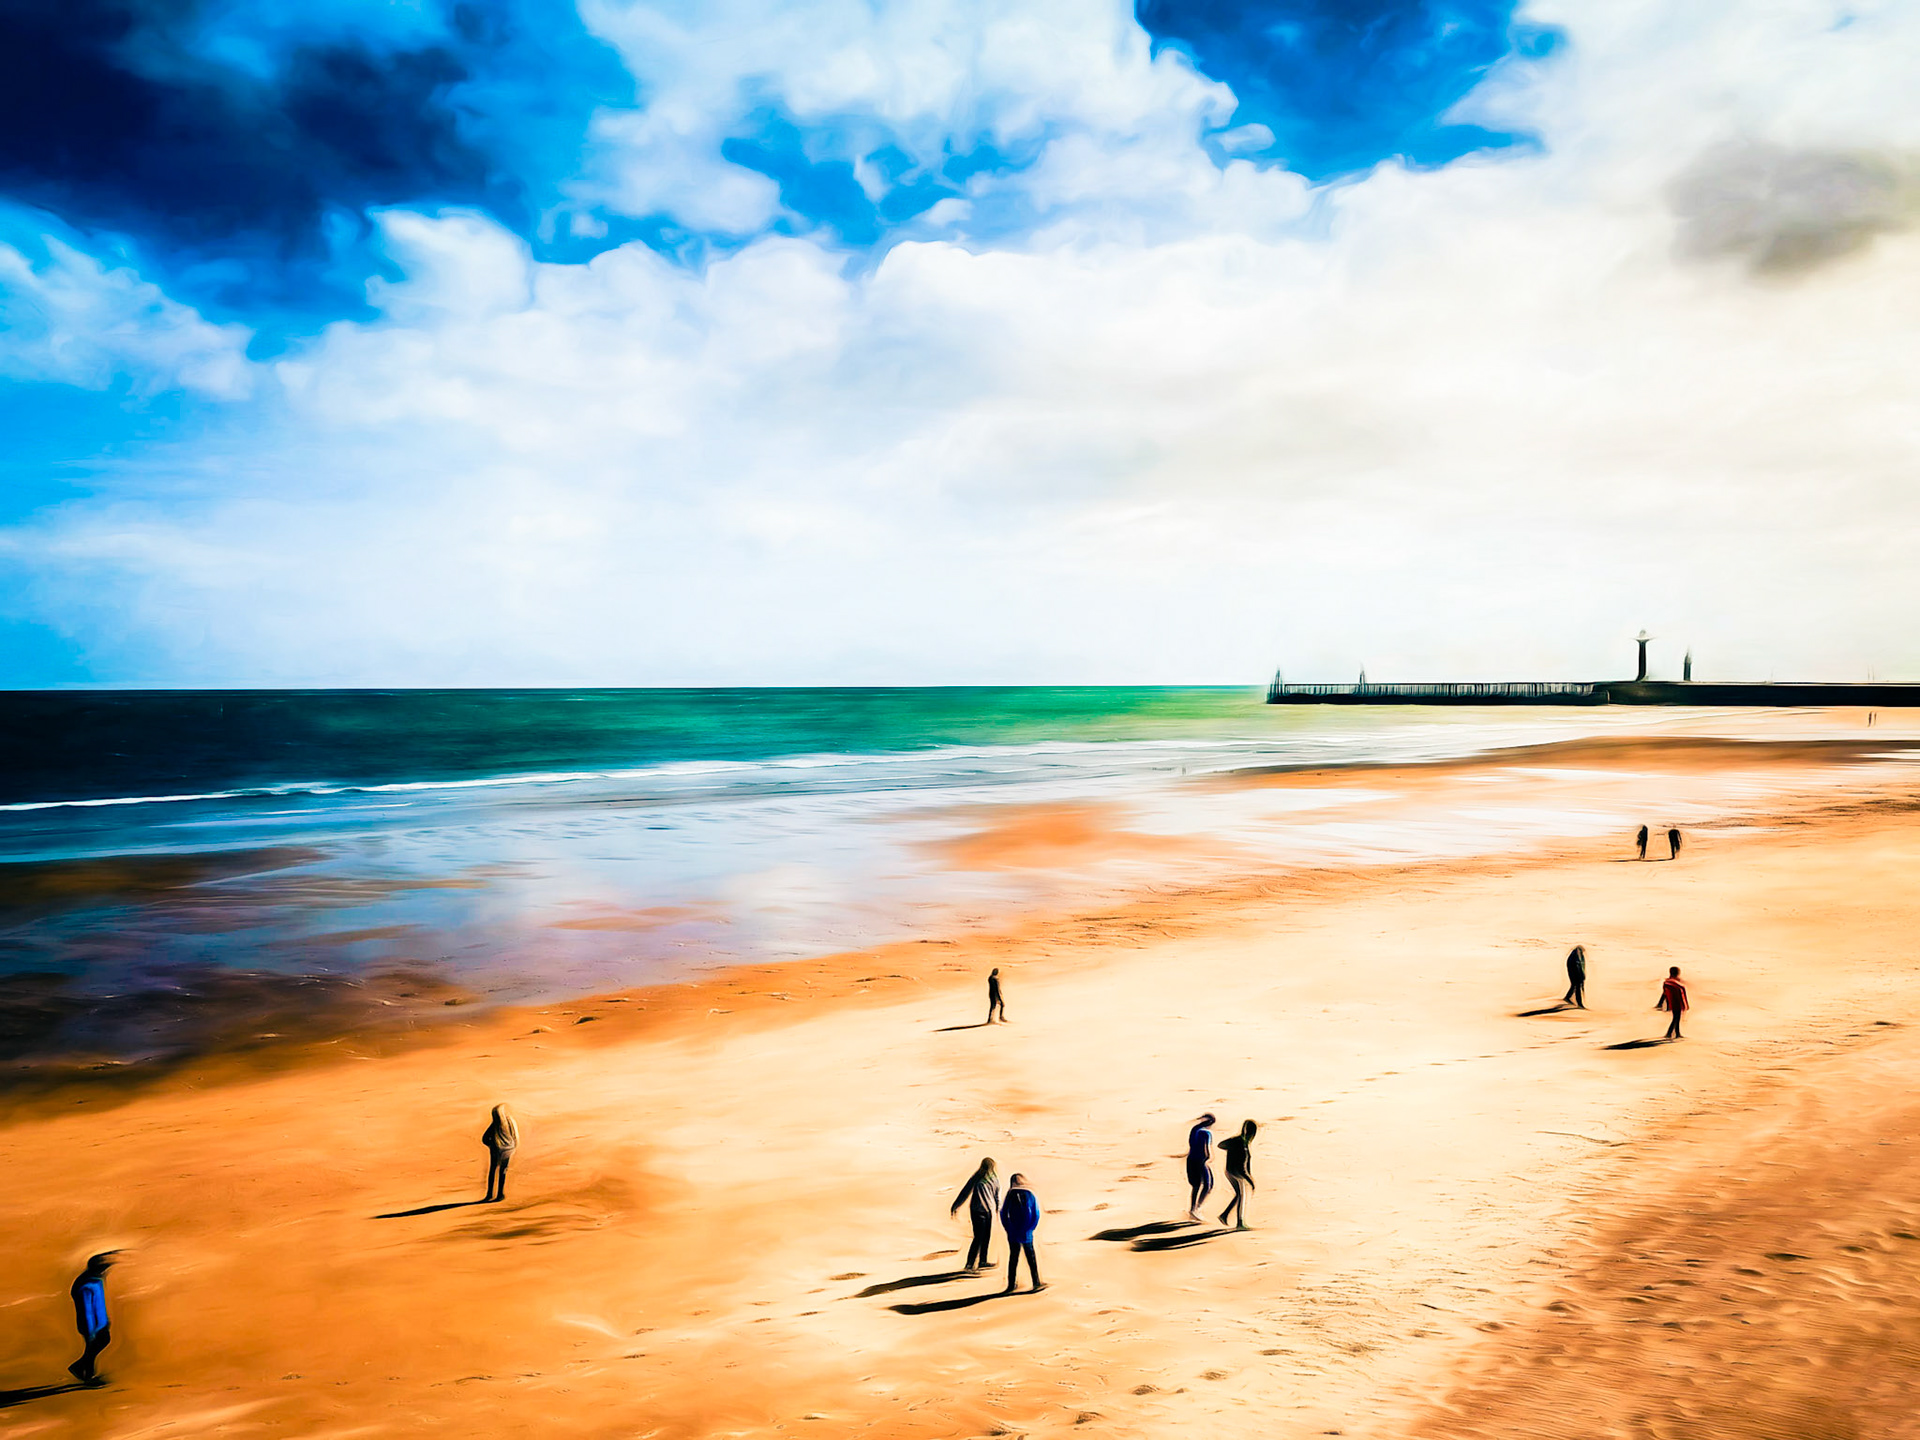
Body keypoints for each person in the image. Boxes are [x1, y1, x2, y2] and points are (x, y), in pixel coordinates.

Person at [68, 1253, 116, 1385]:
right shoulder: (87, 1285)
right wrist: (91, 1332)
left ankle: (89, 1376)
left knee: (93, 1349)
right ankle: (80, 1369)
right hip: (91, 1325)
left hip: (98, 1322)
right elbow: (87, 1310)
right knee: (97, 1344)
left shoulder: (93, 1280)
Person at [950, 1157, 1001, 1272]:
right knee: (978, 1237)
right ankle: (970, 1264)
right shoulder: (977, 1177)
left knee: (986, 1236)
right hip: (977, 1211)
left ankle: (983, 1261)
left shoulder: (994, 1179)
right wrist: (956, 1205)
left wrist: (999, 1210)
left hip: (988, 1210)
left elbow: (997, 1195)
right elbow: (965, 1191)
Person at [1000, 1174, 1044, 1293]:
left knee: (1013, 1258)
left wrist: (1007, 1228)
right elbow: (1036, 1214)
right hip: (1026, 1233)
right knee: (1031, 1259)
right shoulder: (1030, 1194)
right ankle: (1036, 1282)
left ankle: (1011, 1285)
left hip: (1013, 1232)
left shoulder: (1010, 1195)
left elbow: (1003, 1213)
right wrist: (1031, 1228)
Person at [1217, 1120, 1257, 1231]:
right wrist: (1250, 1180)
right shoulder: (1241, 1143)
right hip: (1236, 1172)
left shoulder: (1242, 1142)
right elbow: (1220, 1145)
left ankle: (1224, 1215)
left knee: (1239, 1195)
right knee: (1242, 1195)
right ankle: (1240, 1223)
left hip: (1231, 1171)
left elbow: (1246, 1163)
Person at [482, 1103, 519, 1203]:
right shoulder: (510, 1121)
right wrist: (512, 1147)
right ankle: (499, 1194)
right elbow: (515, 1136)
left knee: (493, 1170)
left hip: (496, 1149)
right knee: (503, 1171)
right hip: (508, 1149)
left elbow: (484, 1139)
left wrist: (492, 1145)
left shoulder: (495, 1124)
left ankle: (490, 1194)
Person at [1185, 1114, 1216, 1219]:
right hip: (1201, 1161)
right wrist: (1209, 1158)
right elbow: (1206, 1148)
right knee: (1208, 1185)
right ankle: (1197, 1208)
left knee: (1196, 1185)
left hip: (1191, 1159)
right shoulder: (1206, 1133)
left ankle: (1192, 1208)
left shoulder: (1194, 1129)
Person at [1657, 966, 1689, 1040]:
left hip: (1672, 1003)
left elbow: (1665, 994)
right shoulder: (1679, 985)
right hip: (1678, 1004)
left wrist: (1665, 1005)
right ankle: (1669, 1033)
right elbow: (1682, 996)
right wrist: (1686, 1005)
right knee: (1676, 1019)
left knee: (1676, 1018)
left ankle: (1677, 1033)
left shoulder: (1667, 983)